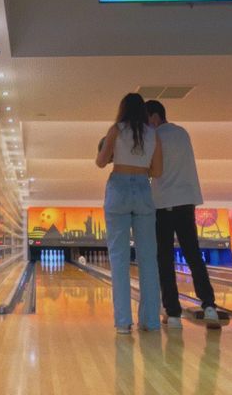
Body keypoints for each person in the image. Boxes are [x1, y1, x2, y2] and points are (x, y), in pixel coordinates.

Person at [145, 100, 220, 329]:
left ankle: (173, 313)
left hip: (163, 204)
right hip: (187, 203)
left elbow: (152, 168)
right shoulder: (183, 133)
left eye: (146, 121)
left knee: (165, 259)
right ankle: (209, 306)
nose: (146, 126)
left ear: (154, 117)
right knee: (194, 255)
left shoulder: (155, 137)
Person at [96, 93, 162, 334]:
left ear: (122, 109)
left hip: (119, 190)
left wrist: (111, 152)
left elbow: (101, 162)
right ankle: (151, 322)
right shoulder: (153, 134)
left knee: (119, 260)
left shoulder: (116, 130)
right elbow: (158, 170)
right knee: (148, 260)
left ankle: (123, 323)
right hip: (144, 190)